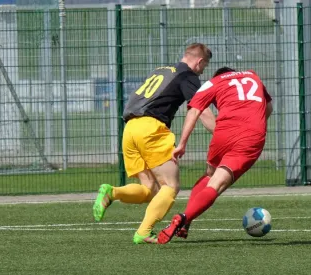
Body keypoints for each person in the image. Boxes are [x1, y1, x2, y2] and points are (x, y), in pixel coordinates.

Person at [92, 43, 216, 244]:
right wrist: (220, 134)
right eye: (204, 67)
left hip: (130, 128)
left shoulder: (161, 70)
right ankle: (143, 232)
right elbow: (200, 109)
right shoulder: (187, 75)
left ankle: (112, 192)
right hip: (151, 129)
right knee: (171, 186)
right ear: (199, 61)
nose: (202, 72)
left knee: (150, 189)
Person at [157, 67, 273, 244]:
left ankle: (186, 219)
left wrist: (182, 144)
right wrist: (254, 122)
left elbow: (194, 111)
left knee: (210, 175)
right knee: (217, 185)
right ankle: (184, 217)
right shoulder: (252, 76)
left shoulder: (214, 82)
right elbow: (268, 107)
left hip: (224, 132)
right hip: (251, 134)